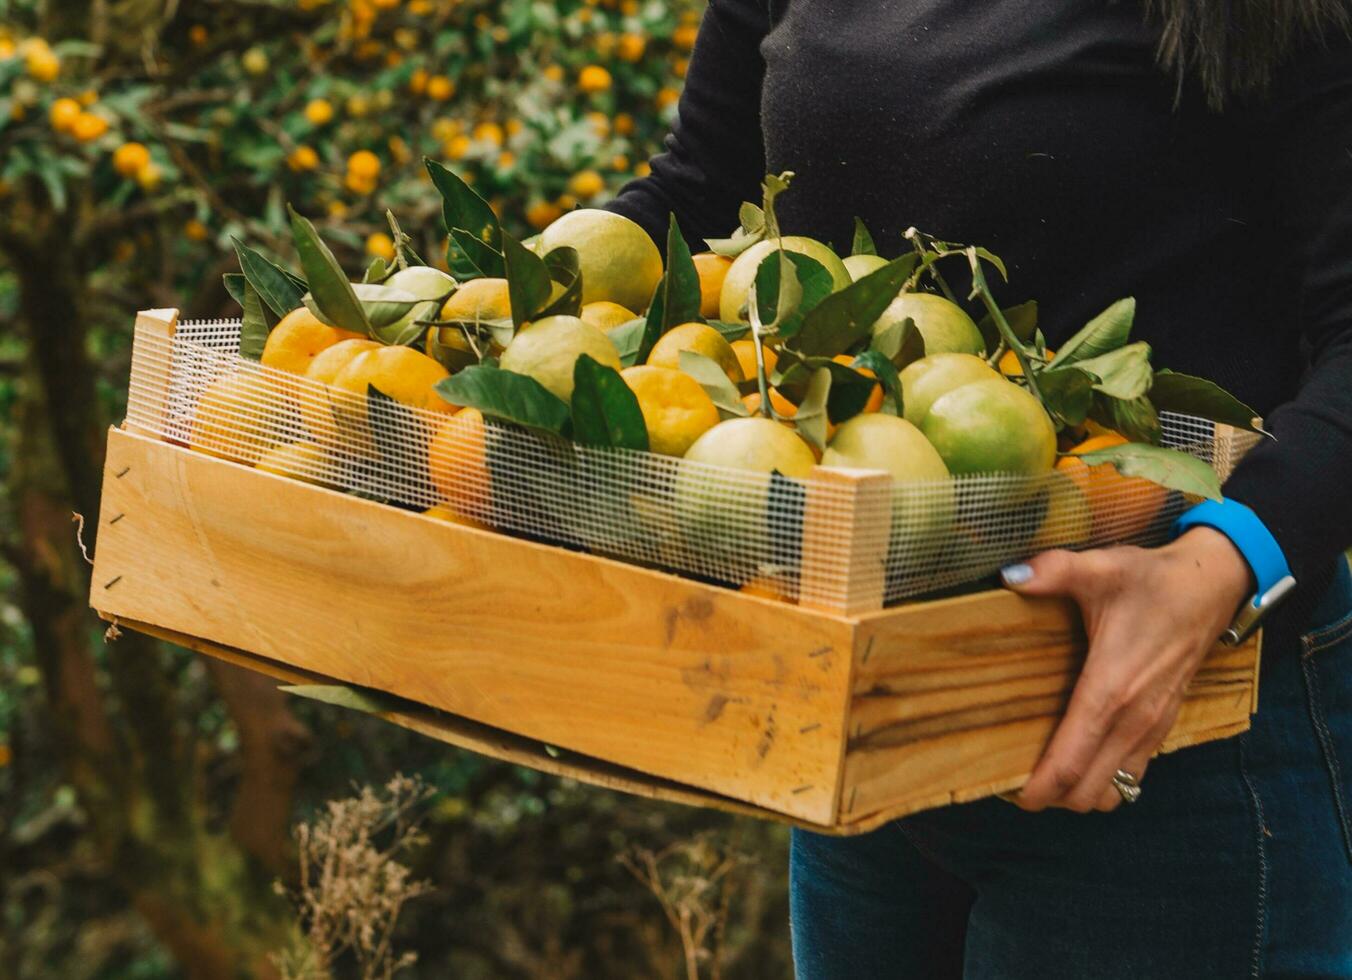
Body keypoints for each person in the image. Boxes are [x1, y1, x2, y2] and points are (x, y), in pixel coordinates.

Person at [608, 1, 1352, 975]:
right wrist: (488, 314)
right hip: (880, 700)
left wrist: (1222, 567)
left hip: (1167, 725)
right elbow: (699, 191)